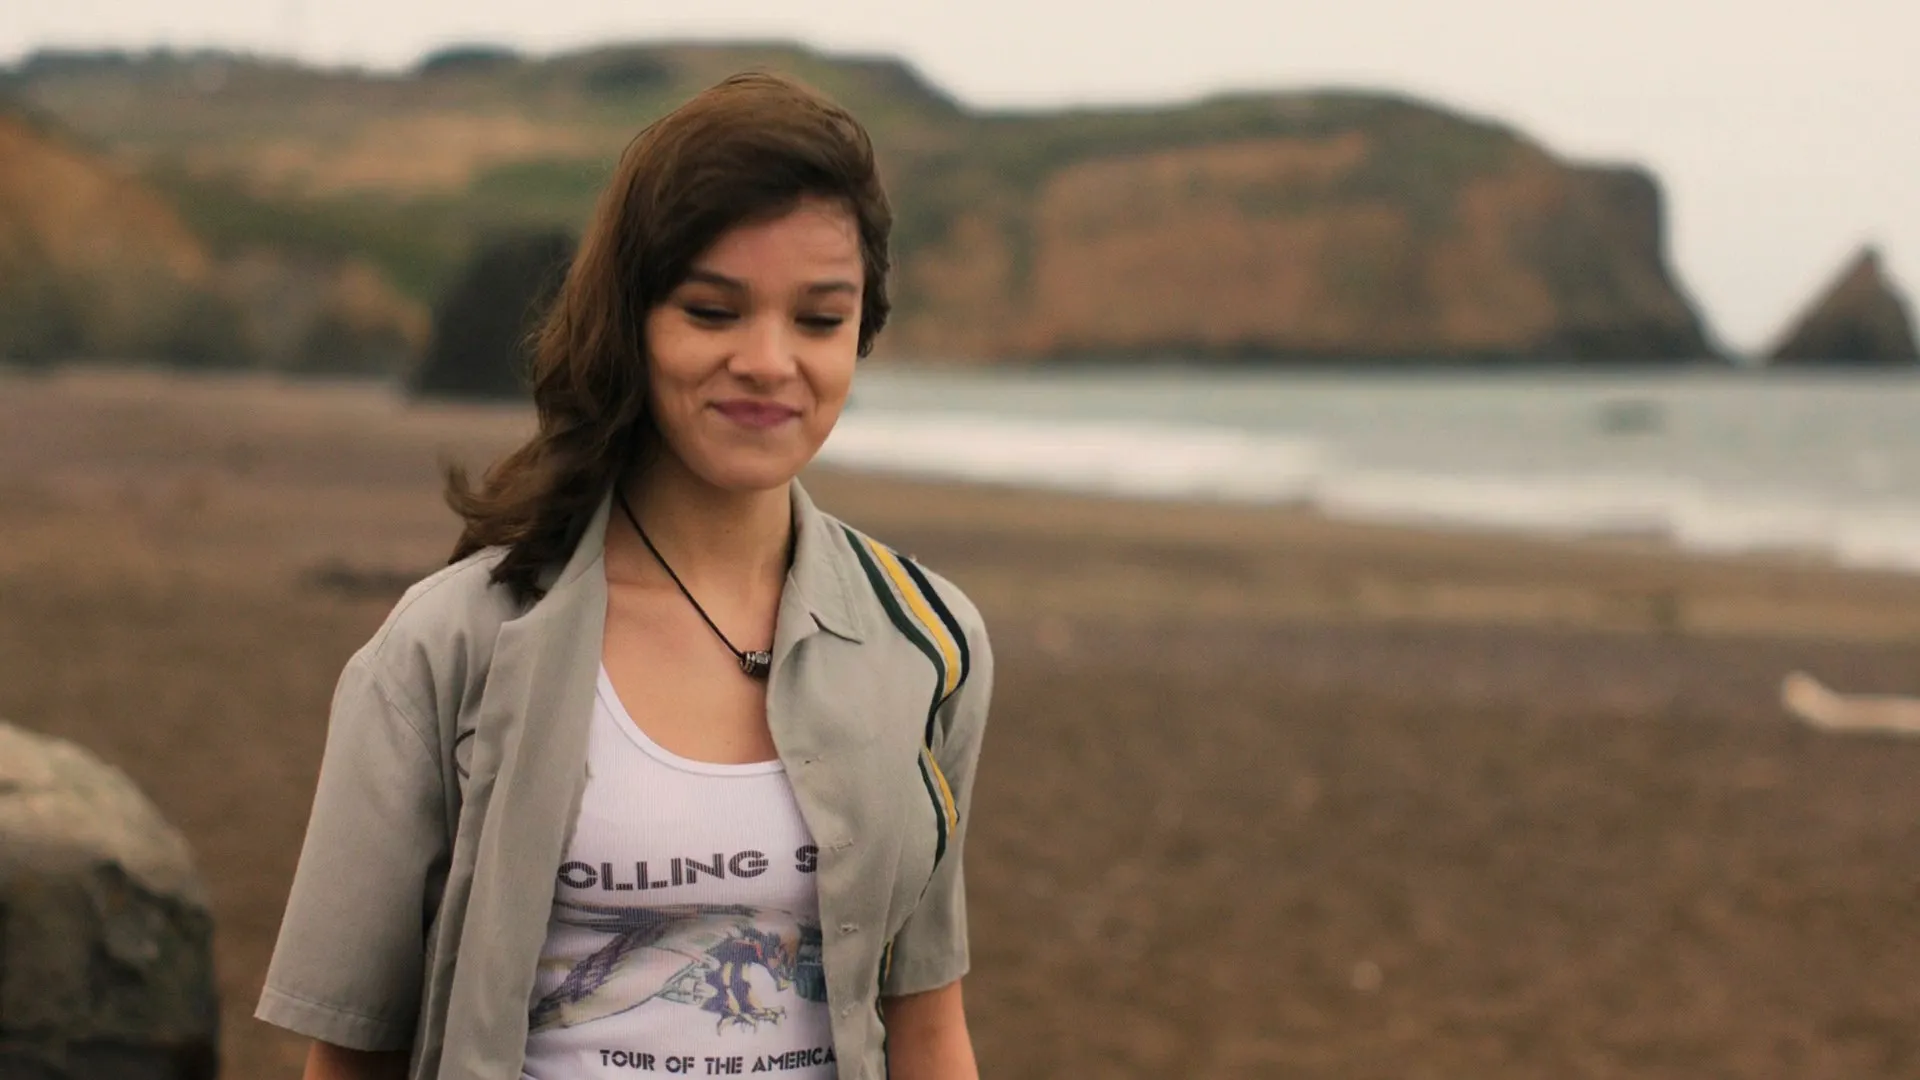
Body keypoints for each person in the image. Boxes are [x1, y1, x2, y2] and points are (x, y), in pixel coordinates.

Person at [256, 72, 992, 1080]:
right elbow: (349, 1057)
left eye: (819, 320)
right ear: (629, 321)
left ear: (861, 333)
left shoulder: (929, 642)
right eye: (712, 311)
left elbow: (929, 1026)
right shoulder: (449, 647)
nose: (768, 361)